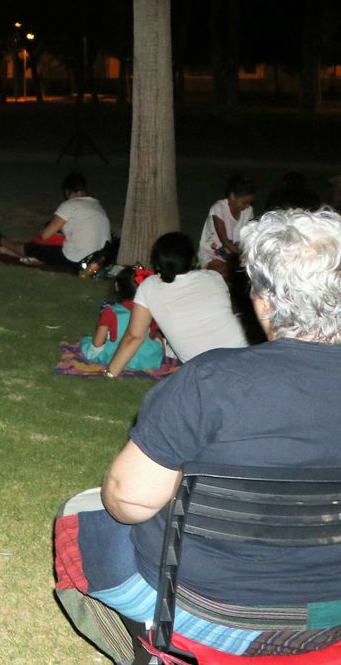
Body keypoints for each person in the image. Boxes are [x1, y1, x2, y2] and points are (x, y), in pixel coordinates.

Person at [53, 208, 341, 661]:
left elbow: (126, 502)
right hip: (329, 624)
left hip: (207, 615)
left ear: (263, 301)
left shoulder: (211, 382)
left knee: (82, 516)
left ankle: (153, 652)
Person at [103, 231, 247, 377]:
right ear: (192, 258)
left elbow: (134, 337)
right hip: (245, 353)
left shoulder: (149, 286)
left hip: (206, 370)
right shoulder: (213, 277)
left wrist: (110, 373)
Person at [0, 172, 111, 274]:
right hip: (100, 259)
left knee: (35, 248)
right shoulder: (97, 205)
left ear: (68, 191)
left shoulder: (70, 204)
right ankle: (5, 250)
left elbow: (45, 235)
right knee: (54, 250)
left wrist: (40, 232)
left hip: (78, 260)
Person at [78, 266, 164, 372]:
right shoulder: (152, 311)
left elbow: (97, 343)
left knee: (87, 342)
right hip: (148, 360)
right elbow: (152, 336)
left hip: (117, 358)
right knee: (157, 337)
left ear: (117, 286)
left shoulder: (111, 311)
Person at [197, 174, 256, 274]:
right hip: (212, 254)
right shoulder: (218, 209)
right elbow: (224, 240)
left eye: (250, 203)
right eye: (244, 203)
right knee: (227, 272)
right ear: (232, 196)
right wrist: (241, 255)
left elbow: (249, 235)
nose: (247, 206)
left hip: (234, 254)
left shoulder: (248, 211)